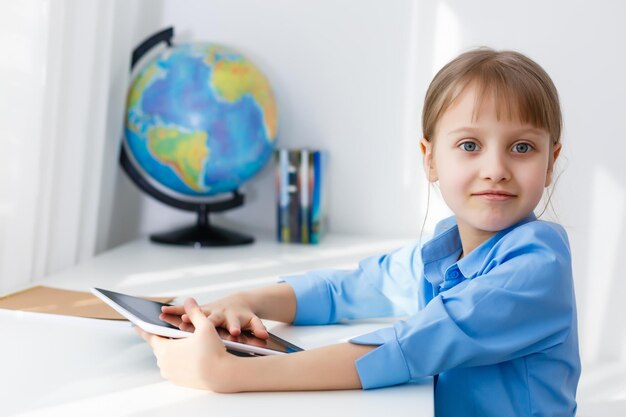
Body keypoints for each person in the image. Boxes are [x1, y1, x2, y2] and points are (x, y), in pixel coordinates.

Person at [136, 47, 580, 417]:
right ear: (430, 159)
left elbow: (409, 349)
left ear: (550, 162)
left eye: (522, 148)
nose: (496, 170)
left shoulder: (537, 263)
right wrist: (247, 301)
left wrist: (229, 375)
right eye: (469, 145)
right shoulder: (449, 249)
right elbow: (349, 288)